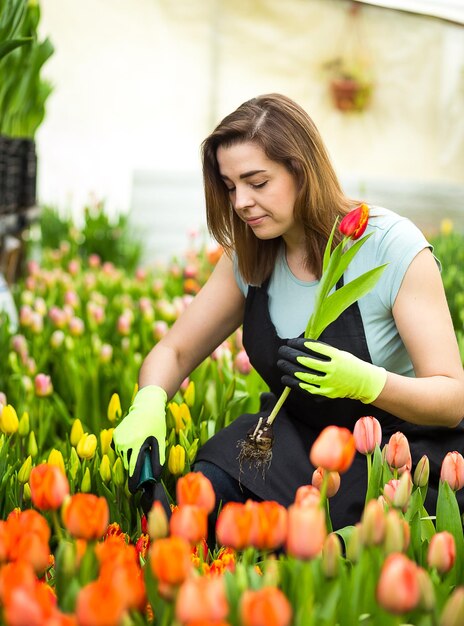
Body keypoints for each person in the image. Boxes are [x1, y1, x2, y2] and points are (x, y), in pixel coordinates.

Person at [113, 93, 464, 533]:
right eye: (229, 186)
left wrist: (367, 382)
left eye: (257, 183)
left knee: (342, 544)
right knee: (207, 490)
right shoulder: (250, 254)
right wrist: (149, 402)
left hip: (391, 447)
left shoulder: (388, 248)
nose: (240, 202)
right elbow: (177, 351)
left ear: (301, 172)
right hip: (295, 437)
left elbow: (452, 399)